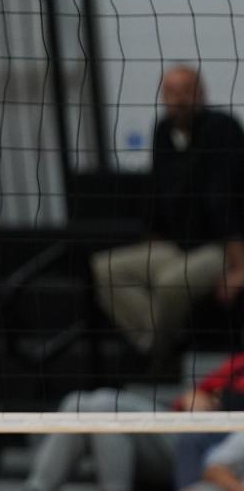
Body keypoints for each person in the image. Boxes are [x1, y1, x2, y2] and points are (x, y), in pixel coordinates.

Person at [92, 66, 244, 361]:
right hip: (177, 245)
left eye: (185, 90)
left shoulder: (223, 129)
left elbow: (227, 201)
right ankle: (155, 338)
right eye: (171, 92)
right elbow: (157, 190)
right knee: (105, 268)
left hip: (222, 248)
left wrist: (240, 267)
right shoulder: (163, 131)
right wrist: (154, 237)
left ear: (201, 93)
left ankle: (158, 356)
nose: (179, 99)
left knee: (170, 283)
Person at [26, 353, 244, 491]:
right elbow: (194, 394)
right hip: (182, 425)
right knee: (78, 402)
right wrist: (194, 396)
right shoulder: (239, 362)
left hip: (210, 447)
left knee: (105, 413)